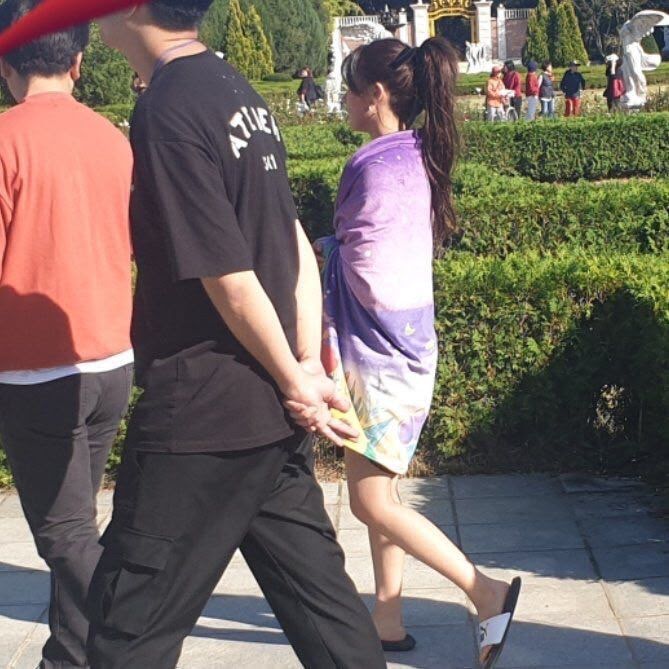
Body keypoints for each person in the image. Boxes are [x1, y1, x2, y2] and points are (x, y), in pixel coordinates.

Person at [87, 2, 386, 668]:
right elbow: (289, 237)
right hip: (265, 409)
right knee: (327, 617)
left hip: (203, 410)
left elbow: (227, 272)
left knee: (125, 628)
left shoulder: (168, 107)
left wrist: (297, 377)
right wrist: (302, 366)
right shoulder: (235, 90)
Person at [293, 37, 522, 669]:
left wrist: (319, 256)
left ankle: (486, 591)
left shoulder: (375, 165)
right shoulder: (415, 153)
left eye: (349, 89)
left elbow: (375, 274)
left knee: (368, 500)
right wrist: (332, 246)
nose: (343, 100)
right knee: (380, 489)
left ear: (376, 96)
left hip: (381, 357)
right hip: (401, 350)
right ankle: (387, 617)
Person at [0, 1, 134, 667]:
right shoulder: (112, 138)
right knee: (78, 523)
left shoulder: (5, 140)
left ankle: (130, 637)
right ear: (79, 62)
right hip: (110, 358)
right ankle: (68, 656)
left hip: (36, 368)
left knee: (65, 535)